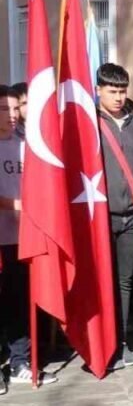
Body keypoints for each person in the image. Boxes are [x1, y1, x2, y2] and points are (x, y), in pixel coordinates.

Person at [97, 64, 133, 370]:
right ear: (99, 90)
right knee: (101, 282)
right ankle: (101, 345)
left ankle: (120, 344)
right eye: (112, 91)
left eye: (122, 91)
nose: (119, 97)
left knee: (124, 281)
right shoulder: (90, 122)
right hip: (101, 217)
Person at [0, 85, 52, 387]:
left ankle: (21, 360)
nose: (13, 115)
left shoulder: (26, 144)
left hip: (24, 237)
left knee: (21, 301)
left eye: (14, 109)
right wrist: (16, 204)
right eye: (5, 110)